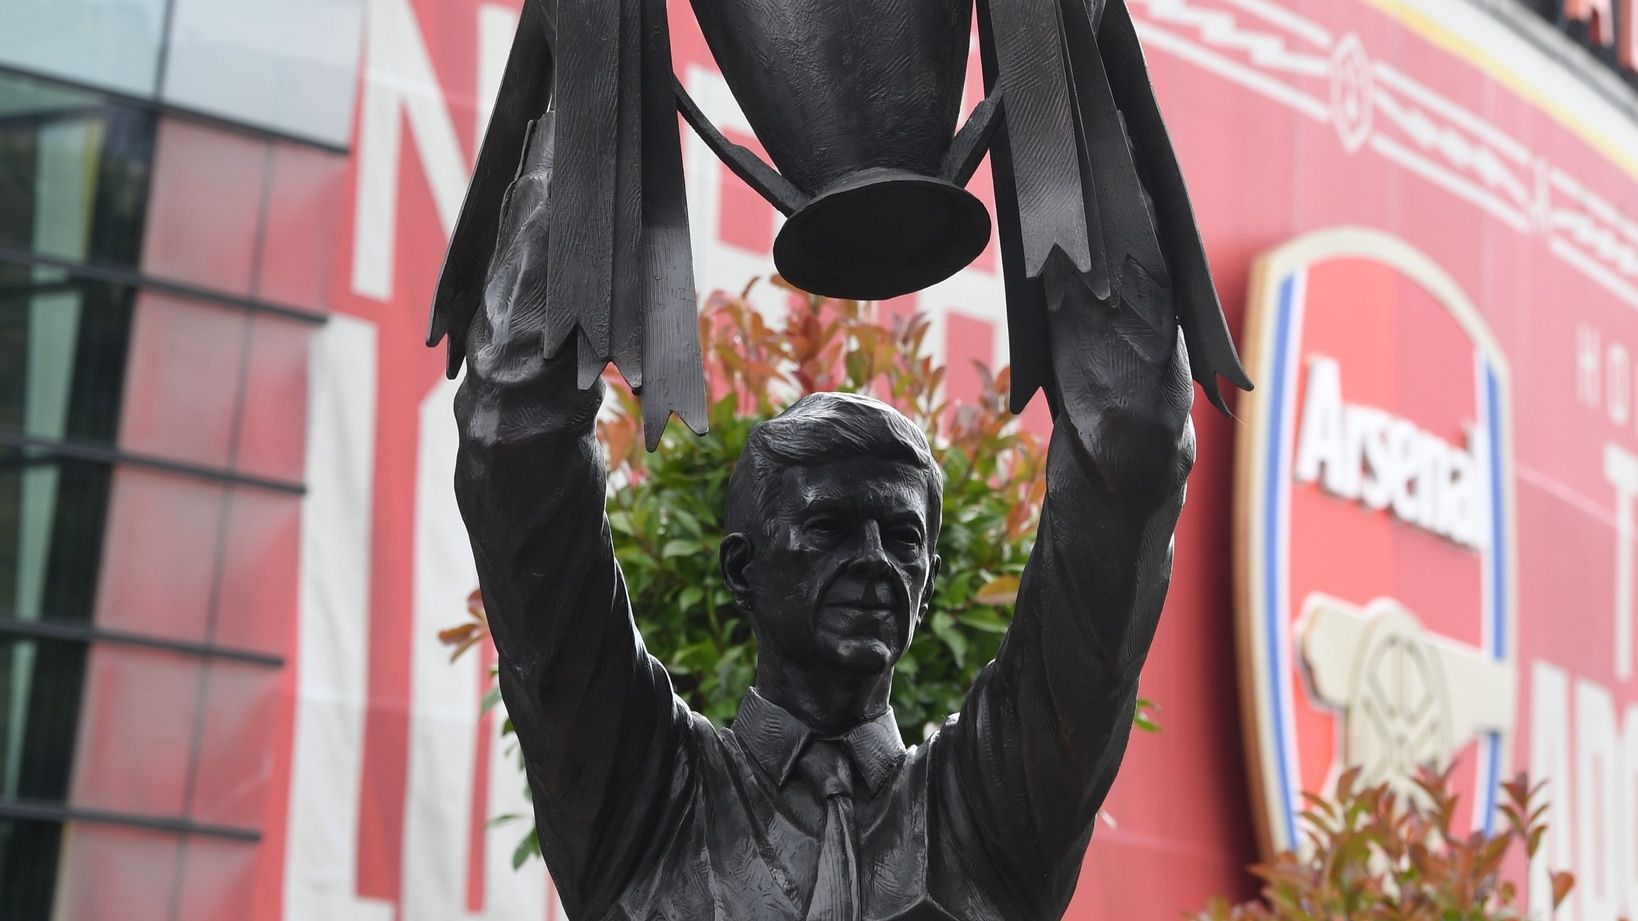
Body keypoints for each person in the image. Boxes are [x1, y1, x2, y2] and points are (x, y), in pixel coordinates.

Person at [452, 118, 1197, 921]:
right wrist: (595, 95)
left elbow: (1132, 439)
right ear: (742, 569)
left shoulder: (985, 813)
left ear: (929, 582)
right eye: (829, 528)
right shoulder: (645, 796)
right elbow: (512, 439)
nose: (876, 559)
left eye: (904, 538)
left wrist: (1062, 93)